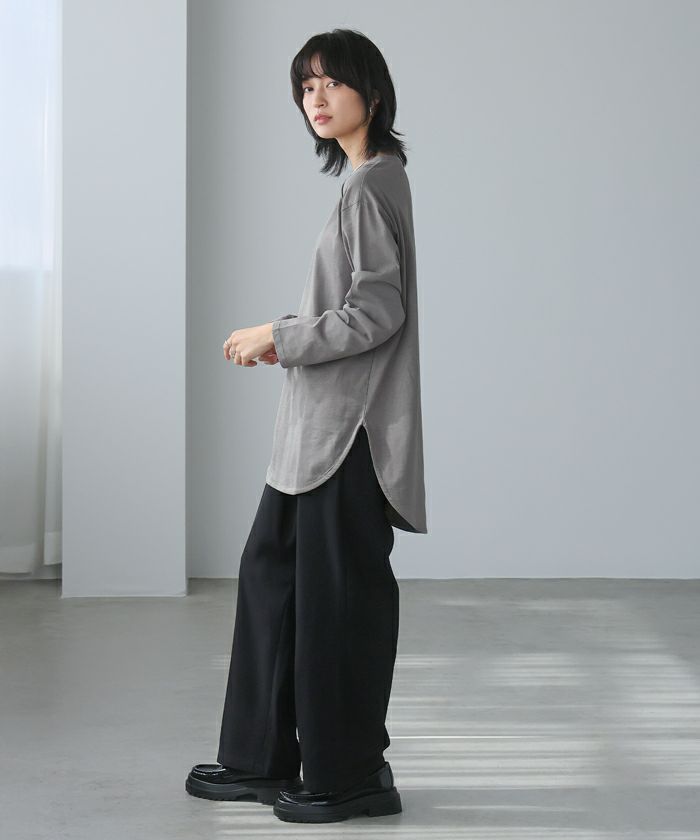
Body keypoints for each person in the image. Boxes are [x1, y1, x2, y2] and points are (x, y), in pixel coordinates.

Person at [186, 28, 427, 824]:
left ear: (372, 94)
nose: (314, 99)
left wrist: (279, 335)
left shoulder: (372, 186)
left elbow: (378, 312)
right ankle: (261, 758)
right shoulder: (366, 181)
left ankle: (351, 773)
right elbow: (353, 309)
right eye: (305, 87)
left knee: (337, 602)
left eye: (330, 83)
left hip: (348, 433)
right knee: (275, 581)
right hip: (317, 430)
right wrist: (282, 335)